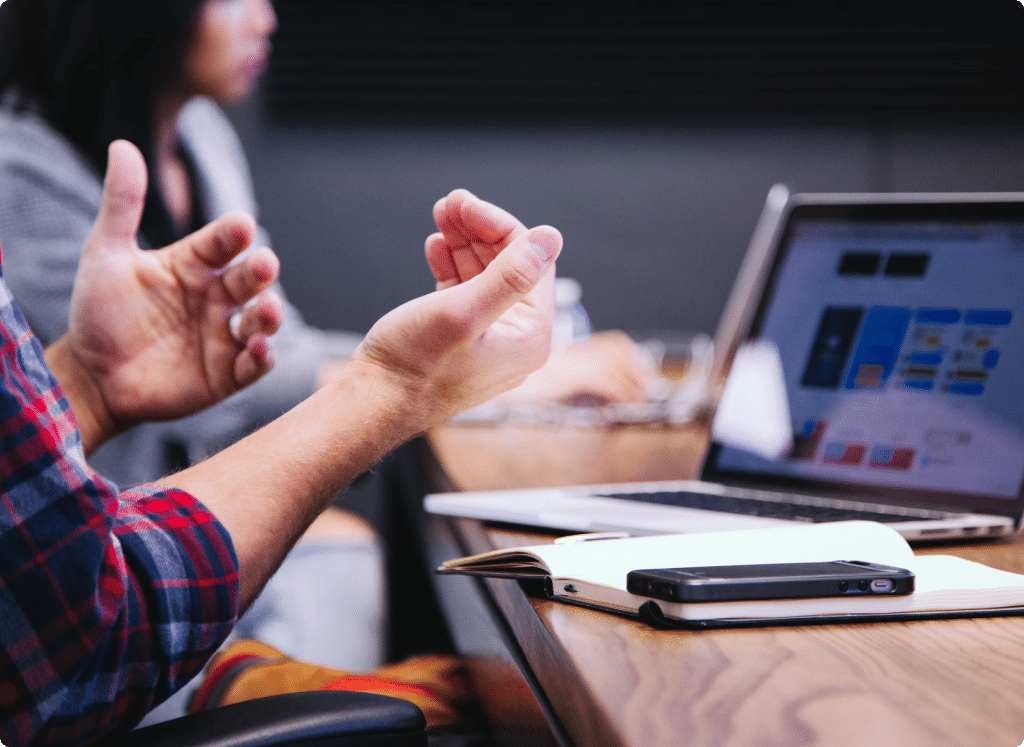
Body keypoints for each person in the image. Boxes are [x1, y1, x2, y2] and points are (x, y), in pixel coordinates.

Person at [0, 129, 565, 747]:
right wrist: (394, 388)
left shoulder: (204, 135)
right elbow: (84, 629)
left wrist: (84, 385)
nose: (266, 24)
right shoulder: (21, 164)